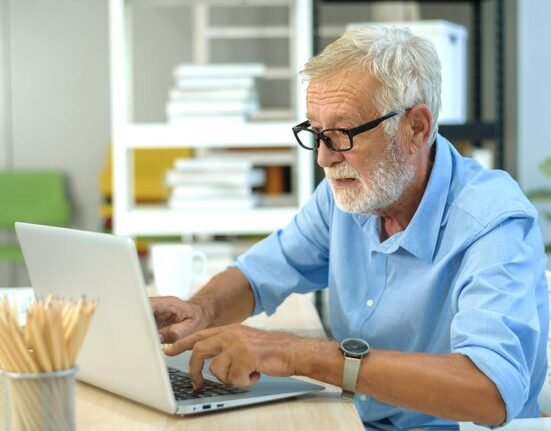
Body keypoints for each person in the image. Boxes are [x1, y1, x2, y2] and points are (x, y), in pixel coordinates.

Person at [151, 26, 549, 430]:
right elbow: (258, 275)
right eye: (317, 133)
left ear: (416, 128)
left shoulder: (492, 221)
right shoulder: (350, 193)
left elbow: (491, 391)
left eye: (342, 134)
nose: (323, 157)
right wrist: (203, 309)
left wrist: (298, 354)